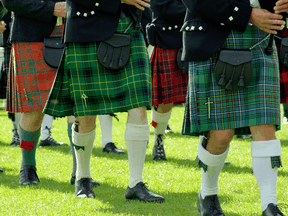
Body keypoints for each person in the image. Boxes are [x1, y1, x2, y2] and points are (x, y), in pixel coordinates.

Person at [43, 0, 165, 202]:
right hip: (86, 28)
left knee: (139, 107)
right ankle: (82, 178)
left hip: (128, 27)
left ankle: (136, 182)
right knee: (85, 113)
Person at [181, 0, 285, 215]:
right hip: (212, 37)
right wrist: (246, 15)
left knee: (265, 126)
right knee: (221, 133)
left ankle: (269, 204)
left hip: (261, 40)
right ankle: (208, 193)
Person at [2, 0, 66, 185]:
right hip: (32, 34)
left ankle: (80, 175)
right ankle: (27, 166)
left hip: (75, 32)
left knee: (80, 104)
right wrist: (52, 9)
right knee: (34, 109)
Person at [148, 0, 187, 161]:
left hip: (199, 39)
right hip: (167, 40)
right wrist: (202, 10)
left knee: (204, 99)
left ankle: (208, 148)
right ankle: (158, 140)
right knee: (164, 102)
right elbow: (162, 6)